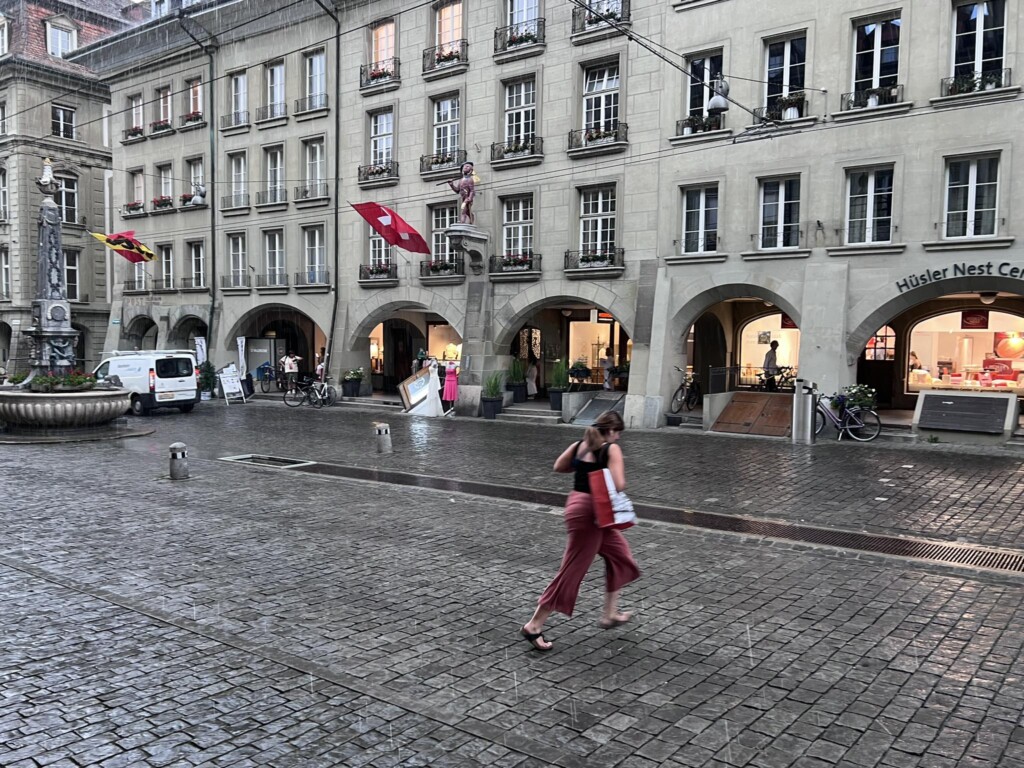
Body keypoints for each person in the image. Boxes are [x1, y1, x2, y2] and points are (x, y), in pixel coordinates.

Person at [520, 411, 640, 652]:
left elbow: (559, 466)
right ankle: (534, 625)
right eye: (618, 434)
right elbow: (619, 484)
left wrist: (586, 470)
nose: (618, 439)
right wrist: (607, 470)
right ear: (612, 431)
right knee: (572, 569)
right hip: (592, 513)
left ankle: (610, 614)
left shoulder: (580, 445)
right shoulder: (611, 449)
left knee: (620, 555)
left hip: (580, 506)